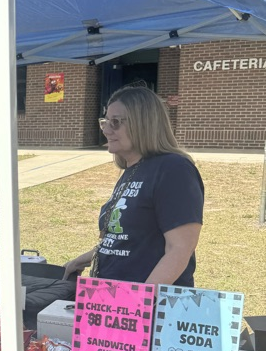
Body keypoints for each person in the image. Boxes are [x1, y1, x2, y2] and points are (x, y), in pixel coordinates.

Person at [63, 85, 204, 286]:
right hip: (114, 299)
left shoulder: (173, 169)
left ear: (143, 124)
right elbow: (124, 242)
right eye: (105, 122)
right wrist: (81, 260)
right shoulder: (131, 170)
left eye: (116, 122)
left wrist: (140, 301)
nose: (105, 130)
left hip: (149, 308)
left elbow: (180, 248)